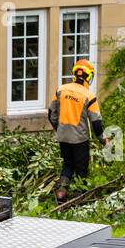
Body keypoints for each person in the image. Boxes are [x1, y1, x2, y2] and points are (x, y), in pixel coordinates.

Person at [48, 59, 110, 203]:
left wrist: (60, 129)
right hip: (80, 139)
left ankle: (61, 194)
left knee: (68, 164)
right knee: (82, 169)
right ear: (89, 77)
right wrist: (103, 140)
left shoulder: (61, 90)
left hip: (63, 137)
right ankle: (78, 200)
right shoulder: (89, 96)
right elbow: (96, 123)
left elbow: (51, 114)